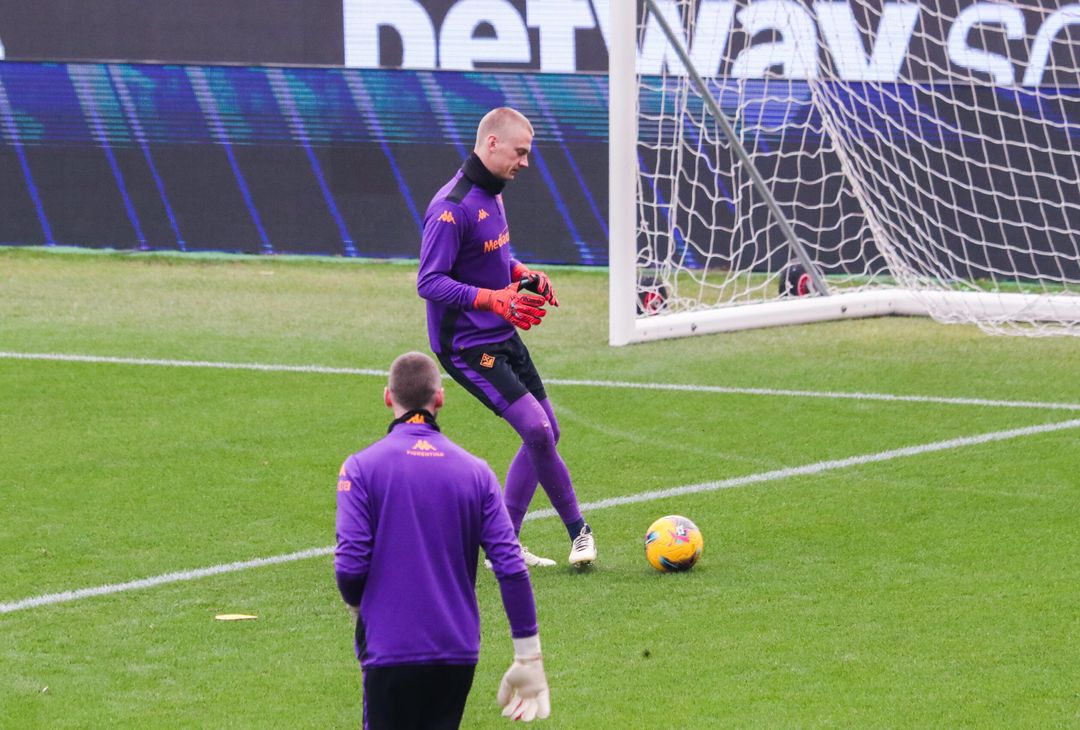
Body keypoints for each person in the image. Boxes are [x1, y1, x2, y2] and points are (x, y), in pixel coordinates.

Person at [416, 106, 596, 567]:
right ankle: (579, 531)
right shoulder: (450, 208)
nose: (525, 163)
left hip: (501, 331)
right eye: (520, 152)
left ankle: (504, 543)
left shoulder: (493, 194)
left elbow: (495, 257)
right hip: (465, 345)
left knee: (548, 430)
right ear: (491, 144)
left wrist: (522, 274)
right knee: (536, 429)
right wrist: (495, 299)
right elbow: (429, 282)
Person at [334, 351, 551, 728]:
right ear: (440, 398)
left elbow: (350, 564)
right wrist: (528, 656)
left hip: (390, 648)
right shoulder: (476, 473)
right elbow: (511, 566)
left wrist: (359, 609)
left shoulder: (361, 467)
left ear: (388, 397)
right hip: (457, 651)